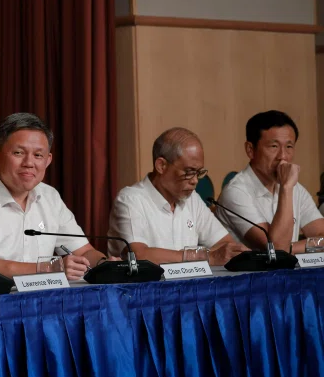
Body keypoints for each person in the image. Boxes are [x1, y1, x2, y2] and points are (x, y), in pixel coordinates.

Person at [0, 113, 110, 280]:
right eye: (19, 153)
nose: (29, 163)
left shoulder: (50, 197)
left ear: (48, 160)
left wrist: (108, 266)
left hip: (45, 300)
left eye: (38, 155)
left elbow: (84, 252)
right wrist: (50, 268)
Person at [108, 127, 245, 265]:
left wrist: (215, 255)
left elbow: (226, 245)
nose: (195, 180)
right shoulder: (131, 199)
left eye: (198, 173)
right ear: (161, 166)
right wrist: (205, 257)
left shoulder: (192, 199)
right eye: (189, 171)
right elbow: (138, 255)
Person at [217, 110, 324, 252]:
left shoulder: (295, 188)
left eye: (289, 147)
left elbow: (321, 235)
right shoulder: (236, 192)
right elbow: (276, 249)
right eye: (274, 146)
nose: (283, 156)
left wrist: (290, 248)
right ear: (250, 150)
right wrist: (286, 188)